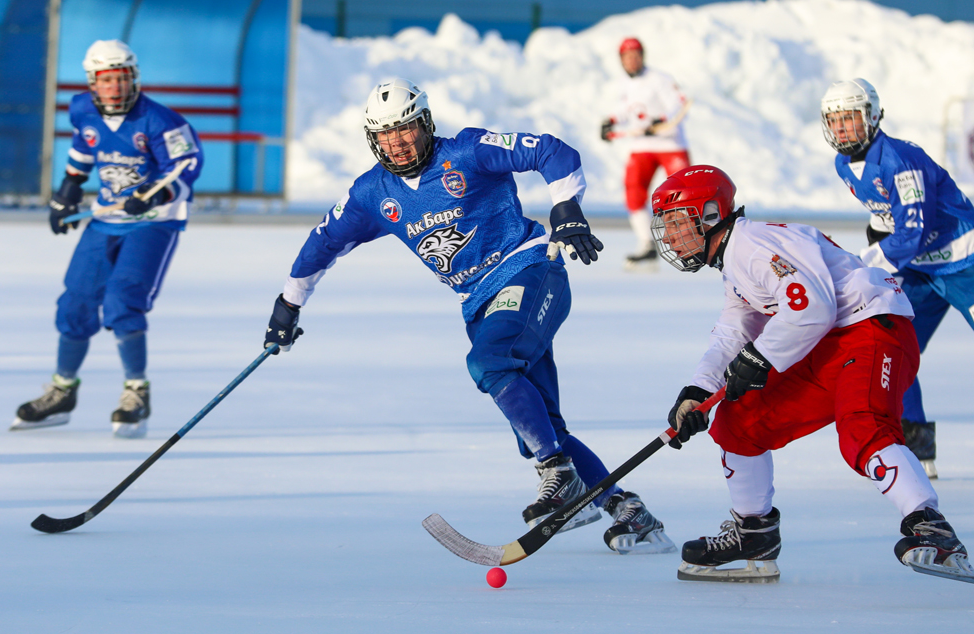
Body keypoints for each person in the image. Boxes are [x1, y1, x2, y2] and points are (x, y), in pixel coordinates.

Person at [263, 77, 675, 554]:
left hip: (529, 269)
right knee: (545, 424)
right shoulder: (372, 193)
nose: (397, 143)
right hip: (478, 302)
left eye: (406, 129)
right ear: (371, 139)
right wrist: (288, 303)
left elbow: (552, 152)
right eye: (385, 135)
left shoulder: (468, 151)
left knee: (489, 362)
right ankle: (629, 512)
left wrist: (566, 206)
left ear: (426, 124)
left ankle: (558, 476)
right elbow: (323, 243)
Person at [651, 165, 971, 583]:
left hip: (872, 327)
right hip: (829, 343)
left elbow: (812, 308)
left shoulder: (754, 245)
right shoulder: (735, 262)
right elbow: (734, 330)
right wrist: (697, 390)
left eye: (677, 223)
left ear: (710, 215)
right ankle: (754, 533)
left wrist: (759, 358)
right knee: (739, 420)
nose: (671, 237)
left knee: (862, 427)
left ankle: (931, 528)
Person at [11, 40, 203, 439]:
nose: (114, 88)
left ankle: (136, 391)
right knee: (76, 301)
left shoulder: (160, 120)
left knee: (121, 300)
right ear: (92, 83)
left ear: (133, 78)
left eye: (120, 79)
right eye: (105, 80)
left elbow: (186, 171)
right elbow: (83, 149)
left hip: (153, 222)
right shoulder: (81, 107)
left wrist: (151, 194)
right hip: (105, 218)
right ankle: (62, 390)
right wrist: (66, 193)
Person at [821, 78, 974, 480]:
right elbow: (882, 219)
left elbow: (913, 230)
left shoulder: (901, 160)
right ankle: (918, 450)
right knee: (896, 348)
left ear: (872, 117)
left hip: (962, 263)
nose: (841, 129)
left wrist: (865, 264)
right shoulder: (843, 164)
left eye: (849, 119)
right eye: (834, 121)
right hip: (918, 269)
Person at [600, 37, 691, 270]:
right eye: (627, 57)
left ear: (643, 56)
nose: (632, 61)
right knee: (633, 193)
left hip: (670, 145)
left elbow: (677, 105)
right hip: (641, 147)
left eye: (635, 55)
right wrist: (611, 120)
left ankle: (692, 242)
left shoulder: (660, 80)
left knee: (685, 195)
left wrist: (660, 121)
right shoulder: (624, 84)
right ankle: (647, 244)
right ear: (621, 60)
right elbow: (627, 108)